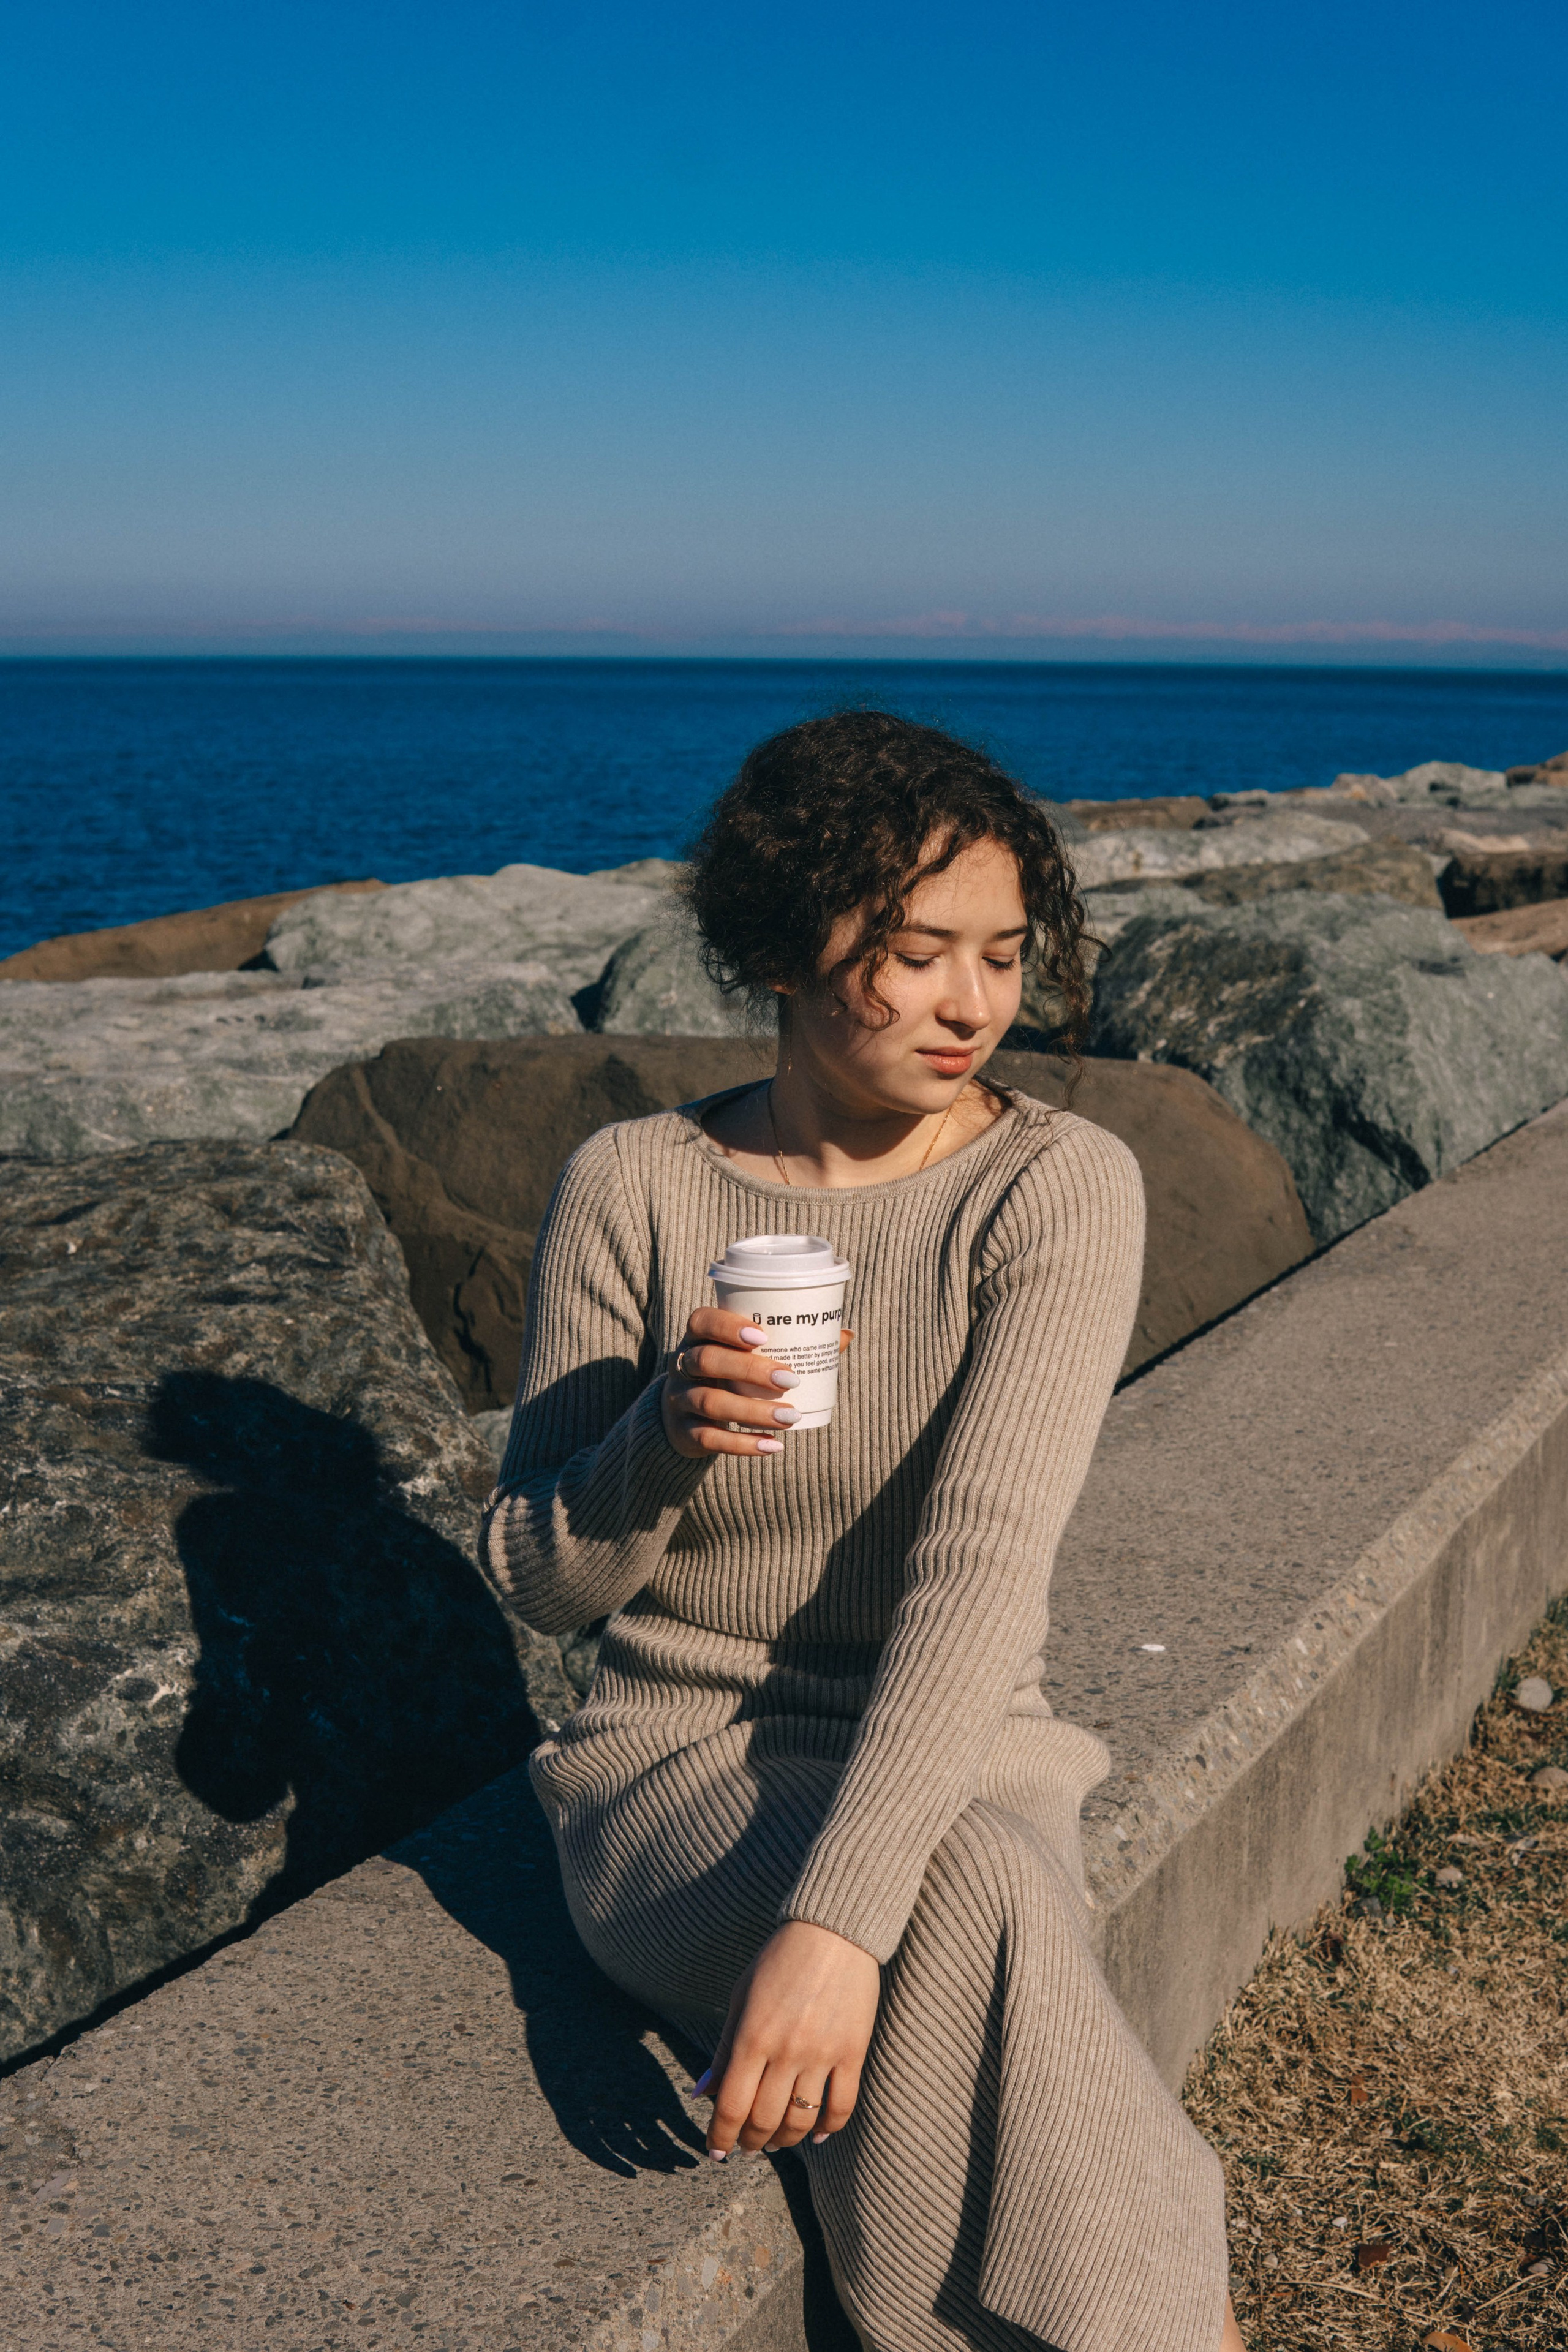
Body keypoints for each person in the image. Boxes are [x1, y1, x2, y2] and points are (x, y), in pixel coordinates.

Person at [481, 712, 1246, 2352]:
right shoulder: (634, 1185)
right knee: (974, 1893)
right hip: (674, 1777)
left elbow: (982, 1574)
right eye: (916, 954)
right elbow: (544, 1584)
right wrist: (657, 1440)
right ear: (782, 947)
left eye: (1004, 956)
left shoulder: (1054, 1187)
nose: (975, 1005)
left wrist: (833, 1928)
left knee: (963, 1876)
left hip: (965, 1749)